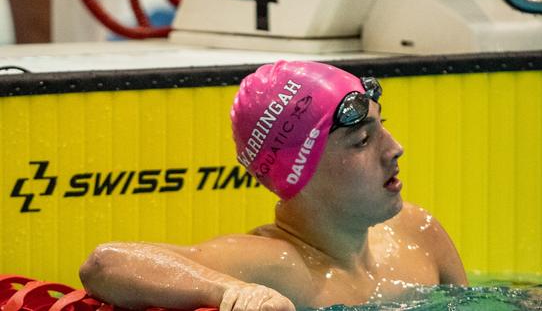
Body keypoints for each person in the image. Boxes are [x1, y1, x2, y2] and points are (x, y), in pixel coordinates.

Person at [79, 60, 467, 311]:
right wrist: (231, 291)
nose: (395, 148)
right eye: (362, 141)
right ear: (301, 172)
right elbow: (105, 263)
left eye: (382, 126)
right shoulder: (273, 266)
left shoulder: (418, 234)